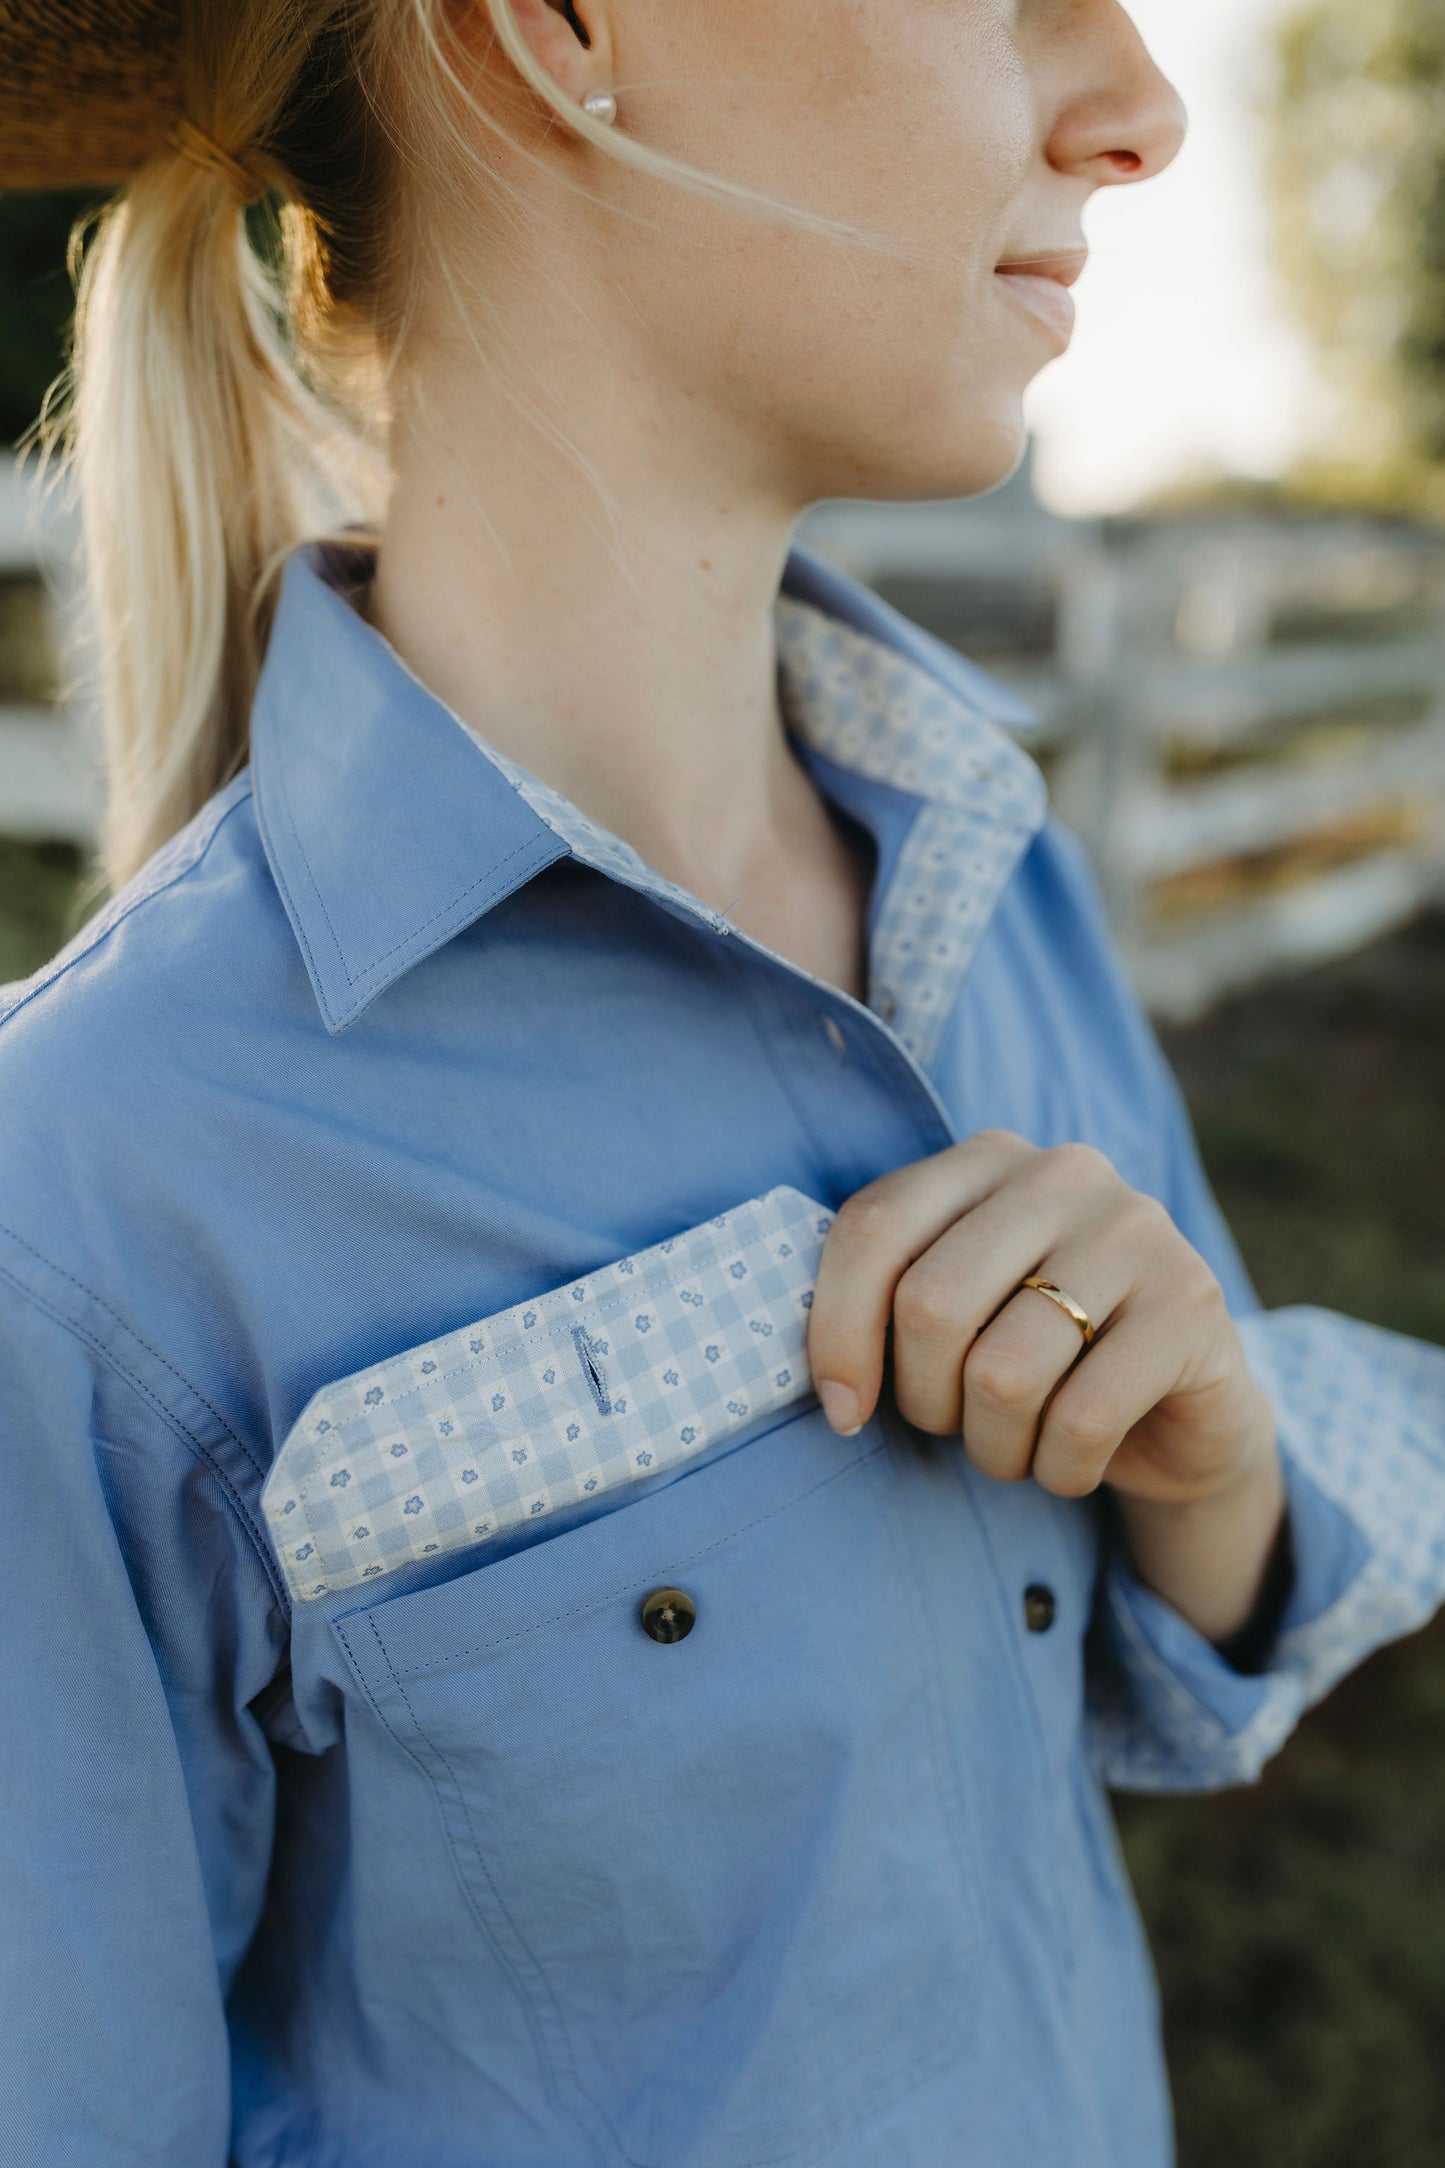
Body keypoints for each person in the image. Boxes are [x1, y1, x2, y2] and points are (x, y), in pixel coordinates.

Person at [1, 1, 1443, 2162]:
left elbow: (1179, 1649)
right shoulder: (83, 1206)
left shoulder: (989, 862)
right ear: (560, 27)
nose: (1136, 105)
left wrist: (1208, 1467)